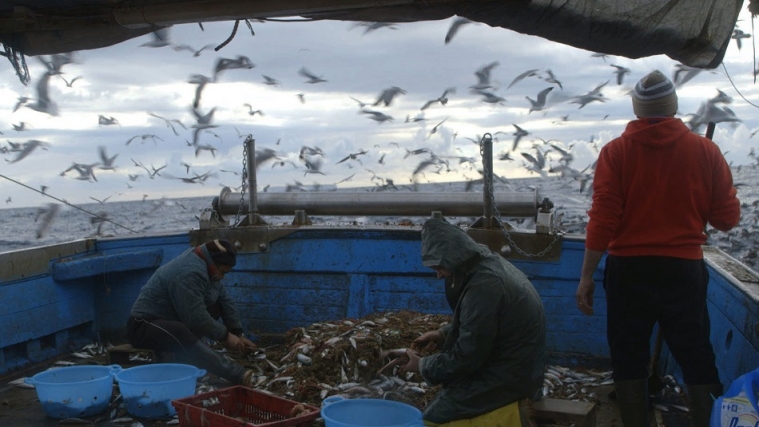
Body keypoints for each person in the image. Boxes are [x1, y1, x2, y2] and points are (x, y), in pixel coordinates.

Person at [575, 70, 741, 426]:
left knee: (628, 355)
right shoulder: (706, 151)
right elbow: (727, 219)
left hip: (628, 271)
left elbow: (603, 218)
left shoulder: (615, 152)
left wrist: (586, 276)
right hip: (682, 271)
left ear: (638, 109)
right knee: (697, 357)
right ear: (674, 106)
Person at [400, 218, 546, 427]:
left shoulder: (484, 287)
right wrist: (443, 334)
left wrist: (422, 365)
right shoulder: (485, 264)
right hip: (521, 366)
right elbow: (486, 326)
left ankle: (514, 413)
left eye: (440, 267)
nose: (439, 275)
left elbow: (468, 357)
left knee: (434, 417)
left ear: (453, 257)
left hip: (511, 377)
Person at [127, 239, 258, 386]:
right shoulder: (189, 272)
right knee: (180, 330)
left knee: (215, 305)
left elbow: (225, 300)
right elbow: (196, 318)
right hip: (143, 325)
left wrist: (238, 334)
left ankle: (192, 359)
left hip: (173, 319)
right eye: (222, 272)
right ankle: (234, 373)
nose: (223, 277)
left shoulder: (208, 266)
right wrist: (226, 337)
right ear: (213, 264)